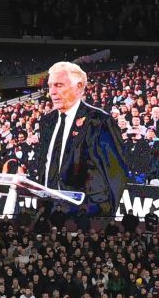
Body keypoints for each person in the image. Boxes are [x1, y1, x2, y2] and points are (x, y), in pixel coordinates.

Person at [32, 61, 132, 222]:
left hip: (87, 215)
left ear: (79, 87)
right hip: (50, 213)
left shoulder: (100, 121)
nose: (52, 92)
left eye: (58, 85)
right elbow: (45, 164)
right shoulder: (47, 122)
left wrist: (104, 215)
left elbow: (116, 173)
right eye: (50, 86)